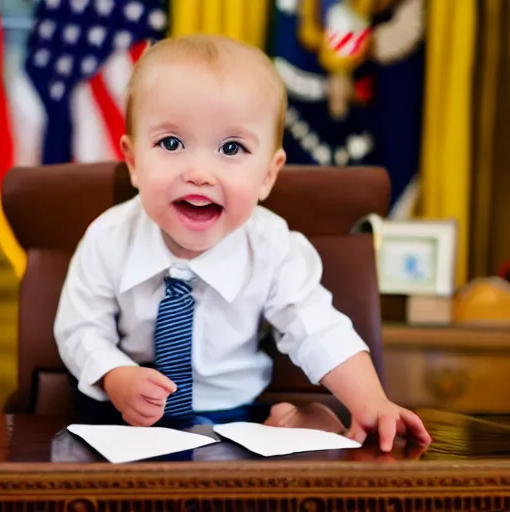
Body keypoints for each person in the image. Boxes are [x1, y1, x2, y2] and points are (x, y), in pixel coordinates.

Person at [54, 34, 431, 453]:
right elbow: (79, 327)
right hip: (122, 417)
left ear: (268, 174)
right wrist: (115, 375)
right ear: (133, 162)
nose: (199, 172)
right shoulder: (108, 237)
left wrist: (371, 400)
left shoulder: (273, 247)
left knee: (270, 443)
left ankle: (296, 420)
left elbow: (318, 329)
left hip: (235, 416)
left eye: (231, 147)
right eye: (171, 143)